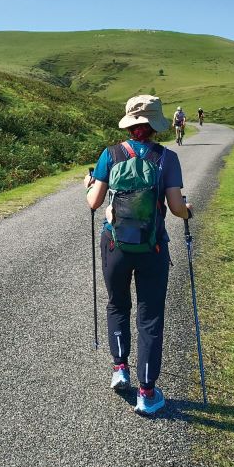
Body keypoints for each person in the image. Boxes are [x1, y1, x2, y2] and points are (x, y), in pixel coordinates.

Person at [84, 95, 193, 415]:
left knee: (117, 304)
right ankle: (147, 392)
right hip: (152, 247)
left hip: (114, 245)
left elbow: (94, 202)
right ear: (156, 125)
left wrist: (88, 184)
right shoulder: (167, 158)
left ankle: (120, 369)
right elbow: (176, 209)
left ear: (131, 124)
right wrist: (188, 209)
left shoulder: (111, 154)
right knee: (150, 316)